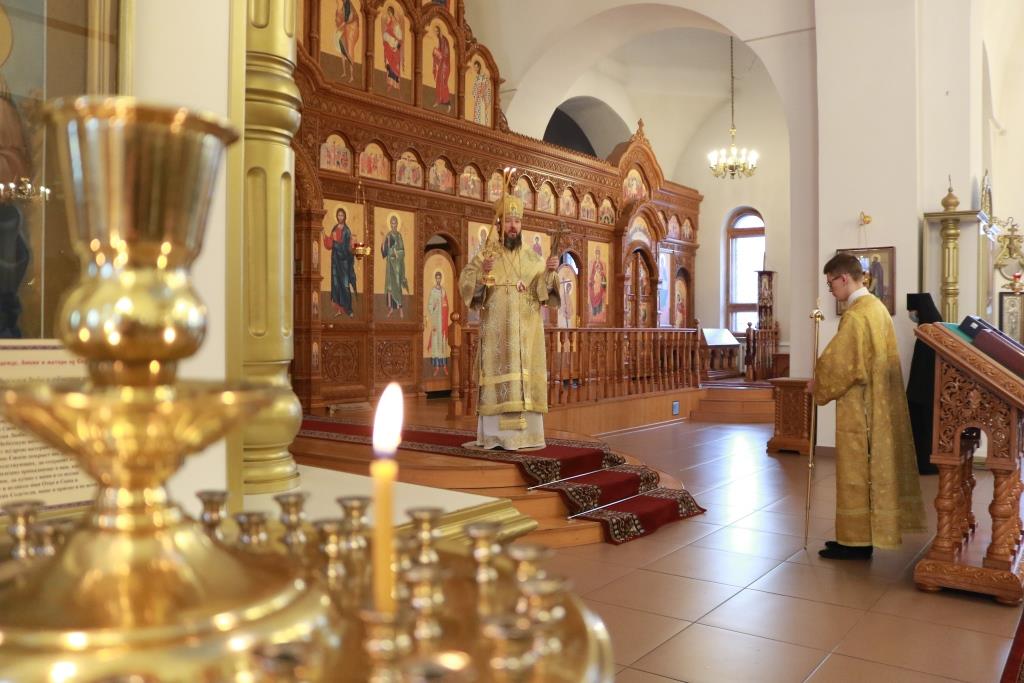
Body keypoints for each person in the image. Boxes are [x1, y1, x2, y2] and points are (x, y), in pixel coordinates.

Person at [808, 253, 926, 559]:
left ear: (844, 278)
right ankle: (855, 538)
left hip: (859, 408)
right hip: (878, 403)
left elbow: (844, 365)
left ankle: (856, 543)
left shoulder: (857, 315)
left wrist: (818, 381)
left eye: (831, 283)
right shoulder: (877, 308)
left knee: (856, 471)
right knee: (868, 470)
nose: (830, 290)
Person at [458, 194, 559, 450]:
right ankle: (494, 437)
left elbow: (543, 293)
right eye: (508, 221)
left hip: (526, 337)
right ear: (499, 224)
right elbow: (467, 283)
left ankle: (529, 436)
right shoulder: (487, 255)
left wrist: (550, 272)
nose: (513, 226)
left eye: (517, 221)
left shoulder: (533, 259)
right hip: (497, 338)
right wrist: (483, 273)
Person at [906, 293, 942, 475]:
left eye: (912, 311)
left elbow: (922, 367)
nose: (911, 315)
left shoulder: (928, 332)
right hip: (928, 392)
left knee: (924, 429)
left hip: (922, 393)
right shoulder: (932, 328)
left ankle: (926, 465)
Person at [322, 208, 357, 317]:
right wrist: (324, 234)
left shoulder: (347, 231)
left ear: (344, 217)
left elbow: (346, 249)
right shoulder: (335, 228)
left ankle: (349, 310)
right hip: (335, 262)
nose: (340, 217)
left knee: (345, 285)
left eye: (342, 215)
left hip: (344, 263)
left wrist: (336, 242)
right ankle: (339, 309)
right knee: (336, 284)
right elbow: (330, 244)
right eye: (338, 215)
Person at [380, 213, 408, 318]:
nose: (393, 225)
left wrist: (397, 253)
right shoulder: (388, 235)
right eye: (392, 223)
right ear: (390, 224)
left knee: (397, 286)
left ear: (397, 224)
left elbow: (402, 251)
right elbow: (384, 252)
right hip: (390, 265)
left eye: (395, 223)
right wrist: (383, 244)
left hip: (397, 266)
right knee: (390, 287)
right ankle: (391, 308)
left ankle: (400, 309)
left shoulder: (399, 236)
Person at [426, 271, 449, 376]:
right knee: (436, 343)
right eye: (437, 278)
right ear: (435, 279)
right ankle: (436, 367)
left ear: (441, 279)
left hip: (443, 321)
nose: (438, 280)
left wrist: (445, 305)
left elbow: (447, 305)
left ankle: (444, 366)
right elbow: (429, 306)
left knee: (442, 344)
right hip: (436, 321)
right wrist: (434, 306)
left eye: (440, 278)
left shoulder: (443, 291)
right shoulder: (433, 291)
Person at [335, 0, 360, 81]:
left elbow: (346, 20)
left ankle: (352, 76)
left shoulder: (348, 5)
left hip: (352, 29)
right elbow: (341, 18)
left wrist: (339, 27)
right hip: (347, 28)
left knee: (349, 50)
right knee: (341, 42)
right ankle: (344, 72)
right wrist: (337, 6)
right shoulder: (344, 5)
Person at [381, 5, 403, 91]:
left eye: (389, 13)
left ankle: (394, 84)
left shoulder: (396, 24)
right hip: (388, 47)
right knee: (389, 65)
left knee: (393, 65)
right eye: (388, 13)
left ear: (392, 13)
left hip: (394, 48)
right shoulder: (389, 23)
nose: (388, 14)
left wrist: (395, 47)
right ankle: (389, 83)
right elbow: (386, 32)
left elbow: (399, 38)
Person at [430, 24, 451, 111]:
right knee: (439, 82)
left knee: (443, 82)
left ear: (439, 31)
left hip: (445, 66)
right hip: (442, 65)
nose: (435, 33)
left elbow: (445, 55)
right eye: (435, 31)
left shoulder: (444, 40)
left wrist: (437, 52)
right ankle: (439, 100)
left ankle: (447, 102)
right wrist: (436, 53)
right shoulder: (440, 40)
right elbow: (440, 53)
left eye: (436, 31)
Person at [470, 60, 492, 126]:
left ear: (479, 67)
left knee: (482, 111)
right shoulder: (477, 77)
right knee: (477, 111)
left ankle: (482, 124)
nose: (475, 69)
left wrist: (482, 92)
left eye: (476, 67)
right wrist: (476, 93)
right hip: (478, 97)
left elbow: (486, 86)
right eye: (474, 67)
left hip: (482, 97)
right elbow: (474, 88)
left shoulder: (483, 76)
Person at [589, 247, 607, 318]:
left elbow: (603, 274)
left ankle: (599, 310)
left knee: (599, 295)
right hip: (594, 282)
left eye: (598, 254)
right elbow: (592, 273)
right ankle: (594, 311)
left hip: (599, 282)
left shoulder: (601, 263)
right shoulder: (593, 263)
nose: (597, 255)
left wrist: (600, 271)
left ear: (599, 255)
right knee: (593, 295)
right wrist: (591, 280)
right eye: (596, 254)